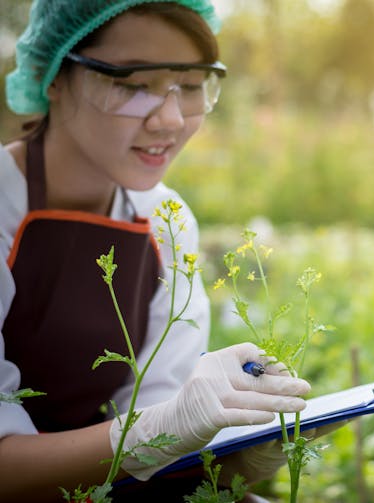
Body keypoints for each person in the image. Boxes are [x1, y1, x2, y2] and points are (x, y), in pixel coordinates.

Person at [0, 1, 311, 501]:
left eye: (190, 87)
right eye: (132, 85)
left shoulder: (166, 219)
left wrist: (232, 458)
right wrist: (154, 432)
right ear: (55, 76)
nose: (169, 119)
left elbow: (153, 433)